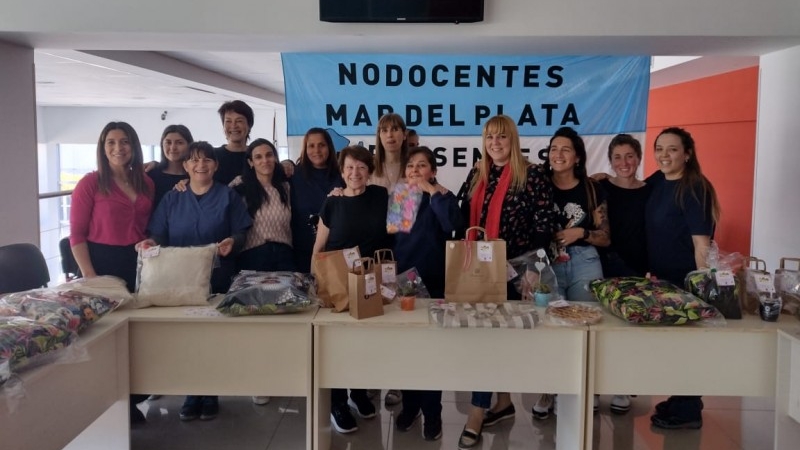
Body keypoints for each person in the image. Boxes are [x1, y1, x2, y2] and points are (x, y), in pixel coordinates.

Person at [456, 115, 554, 449]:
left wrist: (533, 271)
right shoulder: (476, 173)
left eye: (501, 137)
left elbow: (544, 225)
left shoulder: (532, 174)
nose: (495, 143)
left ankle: (476, 412)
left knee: (495, 341)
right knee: (487, 339)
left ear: (512, 139)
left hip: (517, 271)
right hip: (480, 269)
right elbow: (460, 213)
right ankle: (502, 402)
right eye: (489, 137)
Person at [140, 141, 251, 422]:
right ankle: (191, 392)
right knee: (186, 337)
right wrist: (150, 243)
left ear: (215, 165)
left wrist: (233, 242)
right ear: (186, 166)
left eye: (207, 161)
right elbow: (159, 234)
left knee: (212, 336)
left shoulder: (228, 196)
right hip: (180, 279)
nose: (200, 165)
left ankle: (210, 390)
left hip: (217, 275)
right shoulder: (172, 198)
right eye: (194, 161)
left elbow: (241, 231)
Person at [69, 121, 154, 424]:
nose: (118, 148)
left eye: (124, 142)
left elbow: (148, 226)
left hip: (138, 263)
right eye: (111, 142)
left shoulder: (146, 182)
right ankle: (112, 404)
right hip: (102, 263)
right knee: (107, 336)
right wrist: (91, 276)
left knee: (134, 333)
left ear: (134, 146)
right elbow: (76, 235)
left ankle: (133, 395)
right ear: (103, 148)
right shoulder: (90, 183)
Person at [312, 145, 391, 434]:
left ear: (369, 171)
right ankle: (337, 403)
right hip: (337, 282)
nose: (354, 172)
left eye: (361, 167)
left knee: (364, 345)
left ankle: (358, 393)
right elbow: (319, 246)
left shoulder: (381, 195)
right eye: (349, 167)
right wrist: (315, 281)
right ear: (341, 171)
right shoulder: (332, 202)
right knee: (335, 347)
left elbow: (400, 226)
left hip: (372, 280)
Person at [646, 127, 720, 430]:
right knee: (674, 345)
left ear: (687, 154)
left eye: (672, 149)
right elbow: (631, 185)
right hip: (661, 278)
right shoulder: (659, 180)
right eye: (660, 148)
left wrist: (701, 287)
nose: (664, 155)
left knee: (687, 345)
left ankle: (689, 410)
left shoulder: (694, 188)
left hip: (685, 280)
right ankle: (683, 397)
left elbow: (702, 242)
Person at [393, 146, 462, 441]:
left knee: (433, 353)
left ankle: (433, 412)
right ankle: (411, 406)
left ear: (432, 171)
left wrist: (431, 191)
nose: (414, 171)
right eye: (410, 167)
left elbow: (454, 226)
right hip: (405, 282)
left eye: (421, 166)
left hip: (436, 282)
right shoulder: (402, 197)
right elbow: (395, 240)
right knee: (407, 351)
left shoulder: (442, 196)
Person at [232, 138, 293, 273]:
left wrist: (289, 163)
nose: (265, 160)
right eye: (258, 157)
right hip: (252, 256)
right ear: (250, 162)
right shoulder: (239, 184)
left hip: (284, 256)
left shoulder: (286, 187)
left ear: (276, 158)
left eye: (269, 155)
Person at [289, 127, 344, 273]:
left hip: (335, 251)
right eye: (311, 146)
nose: (316, 150)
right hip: (302, 250)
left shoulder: (342, 175)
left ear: (329, 147)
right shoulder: (294, 175)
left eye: (322, 145)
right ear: (305, 149)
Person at [597, 134, 650, 278]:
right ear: (611, 161)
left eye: (629, 156)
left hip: (639, 268)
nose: (624, 163)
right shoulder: (600, 187)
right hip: (605, 265)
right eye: (617, 157)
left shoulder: (650, 191)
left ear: (638, 158)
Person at [147, 124, 192, 207]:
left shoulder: (194, 177)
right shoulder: (151, 174)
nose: (173, 147)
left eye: (179, 143)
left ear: (189, 145)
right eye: (168, 142)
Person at [213, 100, 254, 185]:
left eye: (239, 121)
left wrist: (288, 164)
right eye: (228, 121)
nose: (233, 126)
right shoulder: (212, 155)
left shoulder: (258, 156)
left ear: (249, 125)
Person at [369, 113, 408, 191]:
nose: (389, 135)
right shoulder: (368, 165)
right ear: (379, 136)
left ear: (404, 134)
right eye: (384, 130)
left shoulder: (413, 166)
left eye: (394, 129)